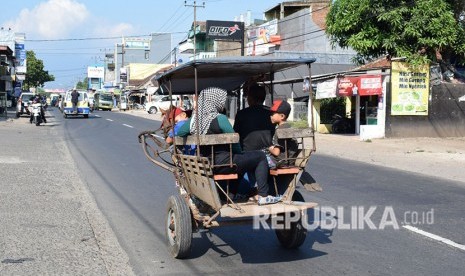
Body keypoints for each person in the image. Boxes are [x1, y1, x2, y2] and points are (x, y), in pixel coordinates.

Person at [176, 87, 281, 205]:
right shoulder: (221, 119)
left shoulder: (194, 120)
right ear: (215, 101)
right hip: (224, 162)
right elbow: (234, 140)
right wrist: (238, 153)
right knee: (260, 156)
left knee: (243, 161)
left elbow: (180, 133)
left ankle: (230, 195)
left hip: (204, 163)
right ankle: (263, 195)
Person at [233, 83, 275, 152]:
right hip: (268, 152)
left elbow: (235, 134)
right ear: (264, 98)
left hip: (246, 153)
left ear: (250, 98)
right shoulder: (271, 113)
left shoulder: (241, 114)